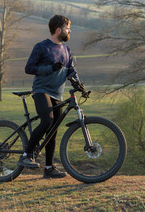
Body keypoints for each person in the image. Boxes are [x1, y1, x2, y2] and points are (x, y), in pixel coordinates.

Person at [18, 14, 83, 179]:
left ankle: (49, 168)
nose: (70, 31)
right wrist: (50, 68)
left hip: (57, 93)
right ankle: (26, 156)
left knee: (53, 131)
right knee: (47, 121)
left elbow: (71, 71)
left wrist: (78, 84)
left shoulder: (67, 50)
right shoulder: (41, 47)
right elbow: (29, 68)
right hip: (41, 90)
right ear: (58, 30)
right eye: (68, 28)